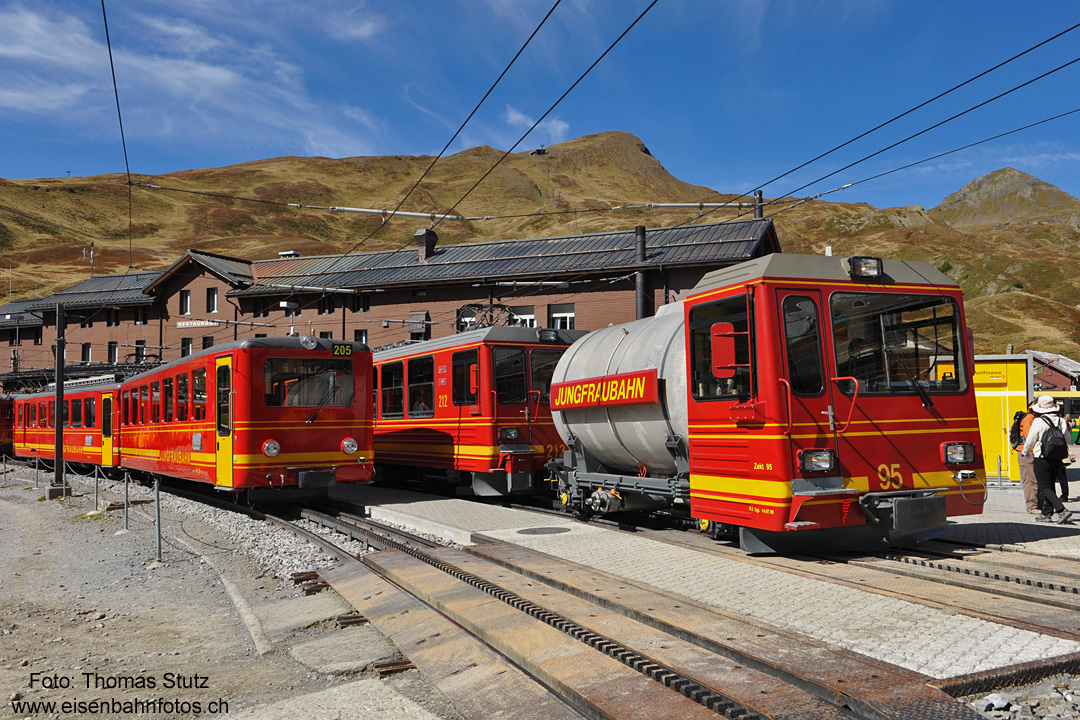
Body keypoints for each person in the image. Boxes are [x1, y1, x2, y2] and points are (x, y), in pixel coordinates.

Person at [1022, 395, 1073, 524]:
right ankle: (1047, 514)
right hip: (1057, 457)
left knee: (1044, 486)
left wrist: (1025, 452)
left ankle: (1062, 510)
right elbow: (1067, 438)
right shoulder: (1061, 420)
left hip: (1042, 457)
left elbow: (1031, 440)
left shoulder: (1038, 421)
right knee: (1050, 485)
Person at [1013, 399, 1039, 514]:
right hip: (1027, 452)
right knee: (1030, 479)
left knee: (1035, 479)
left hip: (1032, 452)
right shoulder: (1029, 418)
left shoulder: (1034, 418)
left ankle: (1037, 504)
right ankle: (1032, 506)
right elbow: (1030, 437)